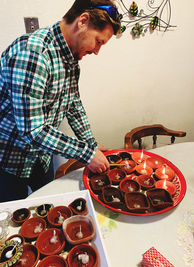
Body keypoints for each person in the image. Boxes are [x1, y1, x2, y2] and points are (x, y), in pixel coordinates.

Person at [0, 0, 121, 202]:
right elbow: (33, 130)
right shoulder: (34, 54)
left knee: (49, 207)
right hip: (9, 161)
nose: (97, 51)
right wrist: (87, 153)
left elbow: (73, 105)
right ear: (83, 21)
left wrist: (91, 145)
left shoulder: (71, 58)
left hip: (42, 156)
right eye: (98, 41)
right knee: (13, 221)